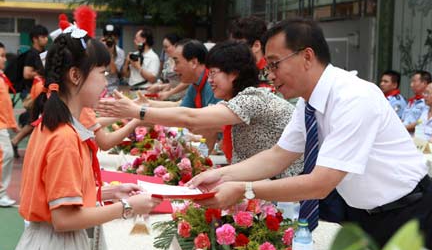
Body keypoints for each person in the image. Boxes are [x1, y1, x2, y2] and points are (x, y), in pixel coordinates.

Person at [187, 18, 432, 250]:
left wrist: (245, 190)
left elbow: (320, 184)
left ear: (307, 57)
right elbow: (278, 156)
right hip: (366, 215)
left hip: (410, 214)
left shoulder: (353, 98)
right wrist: (222, 175)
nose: (270, 75)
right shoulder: (308, 102)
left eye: (275, 64)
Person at [7, 32, 161, 250]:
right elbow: (64, 219)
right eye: (101, 73)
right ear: (75, 75)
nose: (105, 83)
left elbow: (55, 195)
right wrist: (127, 206)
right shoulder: (65, 136)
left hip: (49, 245)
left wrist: (109, 191)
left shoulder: (55, 125)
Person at [98, 41, 303, 177]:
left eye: (214, 74)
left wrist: (137, 112)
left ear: (234, 73)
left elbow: (190, 117)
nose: (210, 81)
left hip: (284, 192)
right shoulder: (237, 99)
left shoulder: (254, 98)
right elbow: (205, 129)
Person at [10, 24, 49, 158]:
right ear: (34, 39)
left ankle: (15, 142)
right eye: (42, 37)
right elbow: (27, 73)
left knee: (36, 121)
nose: (46, 39)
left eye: (46, 36)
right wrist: (41, 73)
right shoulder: (32, 54)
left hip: (38, 91)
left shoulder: (41, 53)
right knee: (36, 120)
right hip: (30, 92)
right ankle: (15, 142)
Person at [228, 16, 272, 88]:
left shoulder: (271, 74)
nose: (233, 50)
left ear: (256, 46)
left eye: (238, 46)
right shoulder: (238, 71)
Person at [0, 42, 19, 207]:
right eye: (1, 56)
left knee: (5, 155)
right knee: (6, 155)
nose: (4, 59)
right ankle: (1, 193)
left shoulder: (2, 77)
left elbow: (5, 104)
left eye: (4, 55)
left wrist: (11, 122)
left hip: (3, 124)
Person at [148, 33, 189, 101]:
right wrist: (162, 91)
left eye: (166, 47)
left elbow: (187, 82)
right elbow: (172, 82)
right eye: (163, 47)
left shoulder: (184, 61)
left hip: (183, 98)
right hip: (172, 97)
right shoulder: (168, 61)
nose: (164, 50)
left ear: (176, 45)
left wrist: (168, 92)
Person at [102, 24, 125, 92]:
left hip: (112, 88)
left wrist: (109, 53)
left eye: (112, 36)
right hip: (99, 86)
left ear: (117, 38)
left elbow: (113, 71)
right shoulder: (98, 49)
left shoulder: (120, 52)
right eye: (107, 36)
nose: (109, 39)